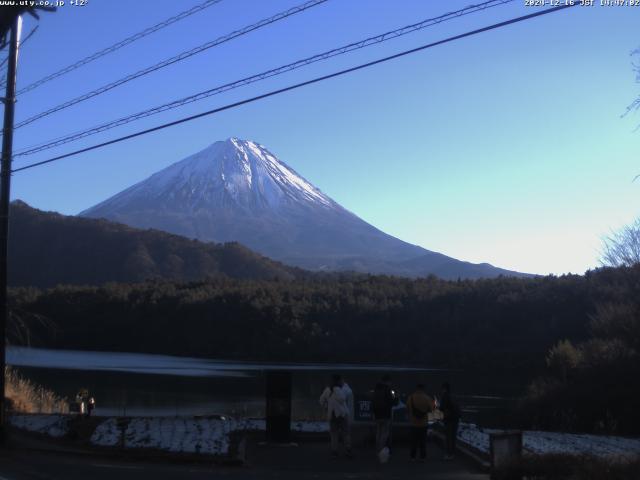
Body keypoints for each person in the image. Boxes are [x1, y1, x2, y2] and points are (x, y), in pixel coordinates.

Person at [319, 374, 353, 458]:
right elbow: (342, 398)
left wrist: (326, 406)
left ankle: (334, 451)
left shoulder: (327, 390)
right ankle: (348, 450)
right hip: (342, 414)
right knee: (346, 433)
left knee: (334, 434)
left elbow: (321, 400)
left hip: (332, 414)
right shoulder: (341, 389)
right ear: (339, 381)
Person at [407, 384, 435, 461]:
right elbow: (432, 409)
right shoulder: (427, 398)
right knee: (422, 441)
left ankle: (412, 457)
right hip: (423, 423)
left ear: (416, 389)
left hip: (413, 423)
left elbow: (408, 408)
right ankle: (422, 457)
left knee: (414, 441)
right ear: (423, 389)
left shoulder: (410, 398)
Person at [372, 374, 396, 461]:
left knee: (378, 432)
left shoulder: (376, 388)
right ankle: (381, 450)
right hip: (385, 414)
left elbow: (373, 401)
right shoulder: (387, 389)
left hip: (377, 413)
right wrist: (394, 397)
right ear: (388, 381)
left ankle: (377, 448)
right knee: (385, 433)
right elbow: (392, 401)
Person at [439, 382, 461, 460]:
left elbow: (441, 408)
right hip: (455, 419)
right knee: (453, 437)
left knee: (448, 437)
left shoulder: (444, 396)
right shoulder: (453, 396)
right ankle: (453, 453)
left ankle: (449, 454)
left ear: (444, 388)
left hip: (448, 419)